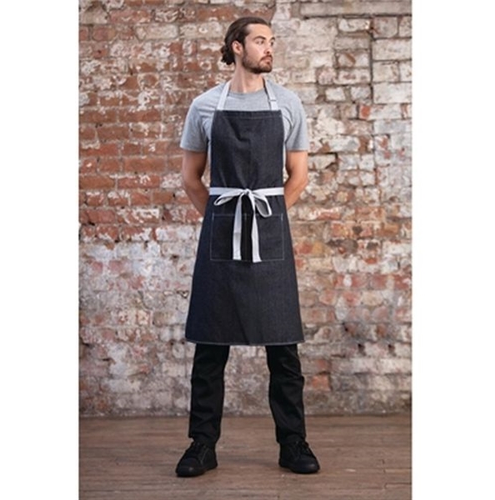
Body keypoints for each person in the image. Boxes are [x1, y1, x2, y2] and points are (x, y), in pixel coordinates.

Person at [175, 16, 320, 477]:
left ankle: (293, 443)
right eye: (260, 41)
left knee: (283, 347)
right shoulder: (204, 106)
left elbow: (298, 176)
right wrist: (223, 219)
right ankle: (202, 445)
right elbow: (191, 178)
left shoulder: (288, 104)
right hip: (221, 232)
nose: (269, 48)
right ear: (236, 47)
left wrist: (266, 219)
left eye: (271, 41)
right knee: (210, 345)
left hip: (269, 232)